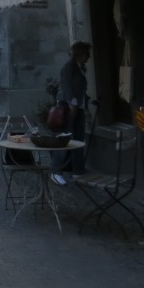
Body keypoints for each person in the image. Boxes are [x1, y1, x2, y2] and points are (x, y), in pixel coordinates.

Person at [52, 40, 91, 184]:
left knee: (79, 140)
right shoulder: (68, 67)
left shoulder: (81, 68)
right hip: (67, 107)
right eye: (87, 53)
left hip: (78, 108)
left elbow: (81, 89)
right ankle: (56, 171)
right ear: (79, 54)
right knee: (64, 139)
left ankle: (78, 171)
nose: (89, 56)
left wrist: (86, 104)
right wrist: (72, 103)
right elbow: (67, 86)